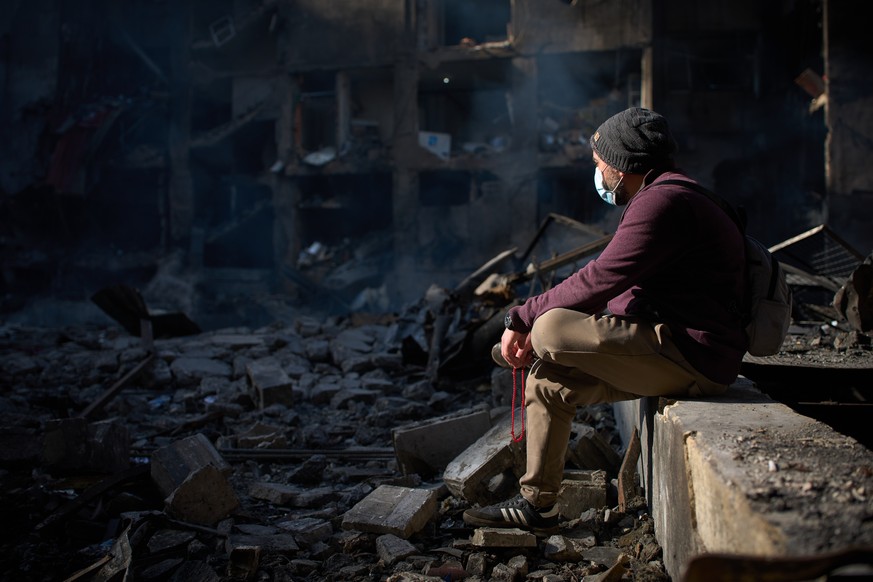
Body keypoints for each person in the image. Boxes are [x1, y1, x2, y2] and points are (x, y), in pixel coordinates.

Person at [462, 107, 748, 535]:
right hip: (676, 348)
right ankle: (538, 507)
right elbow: (622, 289)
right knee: (547, 381)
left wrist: (520, 317)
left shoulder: (663, 202)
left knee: (549, 329)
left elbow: (599, 278)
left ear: (620, 165)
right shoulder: (666, 195)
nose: (596, 174)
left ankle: (523, 346)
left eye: (598, 165)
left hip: (694, 357)